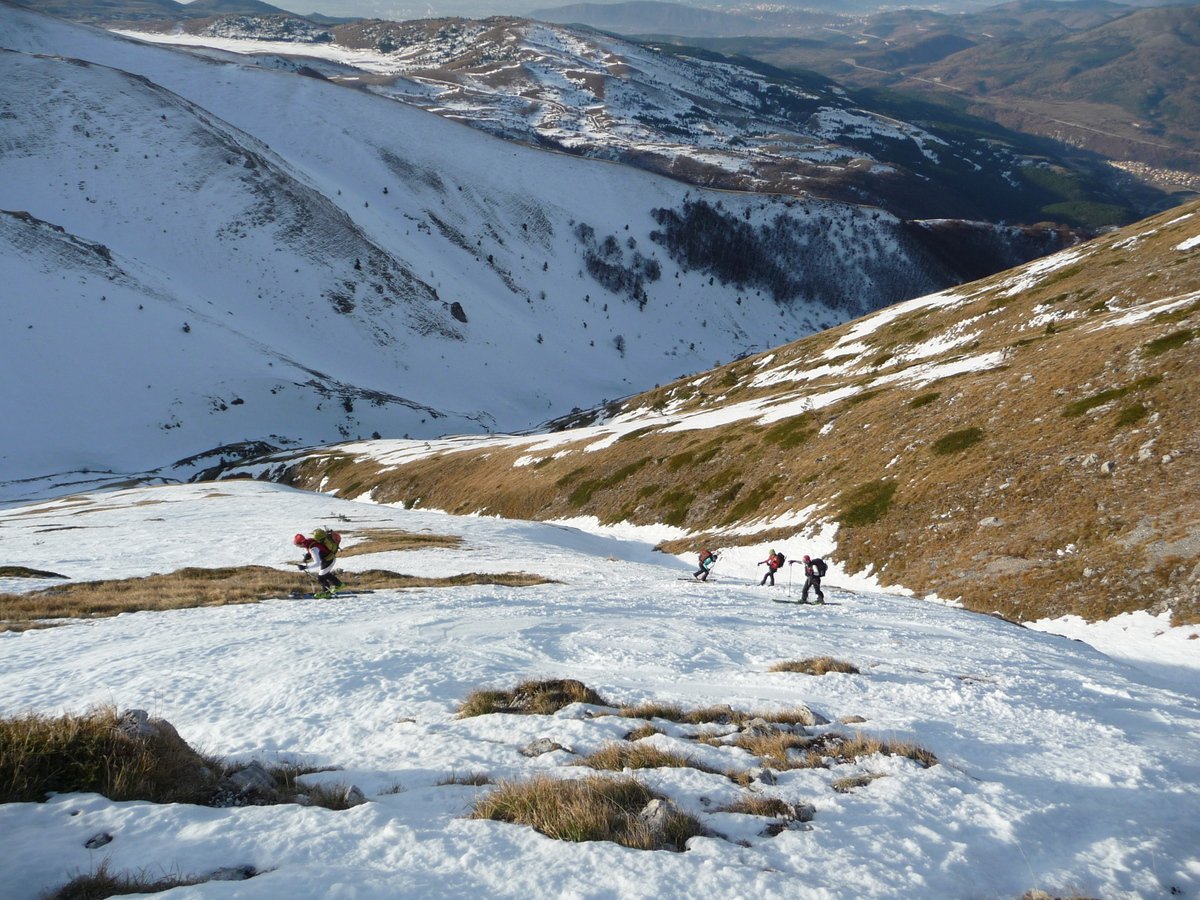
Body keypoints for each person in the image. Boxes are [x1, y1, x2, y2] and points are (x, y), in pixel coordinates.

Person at [294, 528, 343, 597]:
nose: (298, 546)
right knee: (324, 574)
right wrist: (308, 555)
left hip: (329, 560)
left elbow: (317, 563)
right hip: (327, 559)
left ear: (301, 543)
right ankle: (338, 584)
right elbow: (318, 548)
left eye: (297, 545)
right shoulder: (309, 541)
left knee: (321, 577)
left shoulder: (313, 549)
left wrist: (305, 567)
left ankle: (326, 593)